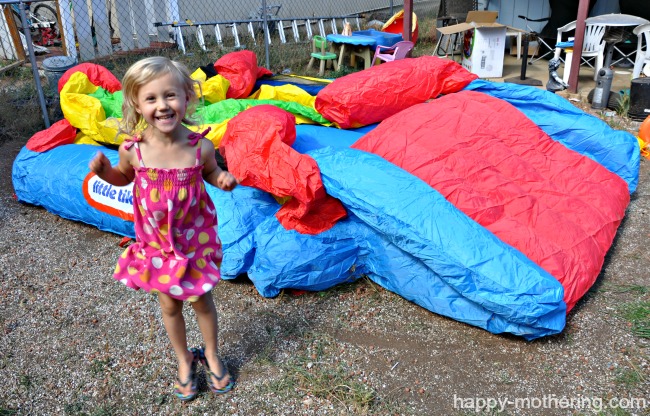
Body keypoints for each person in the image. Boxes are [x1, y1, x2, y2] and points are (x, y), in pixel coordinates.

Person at [88, 56, 238, 401]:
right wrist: (102, 172)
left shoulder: (199, 146)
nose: (163, 105)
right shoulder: (133, 150)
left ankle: (212, 354)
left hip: (195, 242)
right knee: (169, 305)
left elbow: (210, 172)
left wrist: (222, 179)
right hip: (157, 246)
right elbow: (123, 177)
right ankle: (184, 359)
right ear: (137, 105)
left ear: (187, 96)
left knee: (201, 299)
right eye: (151, 99)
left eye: (170, 95)